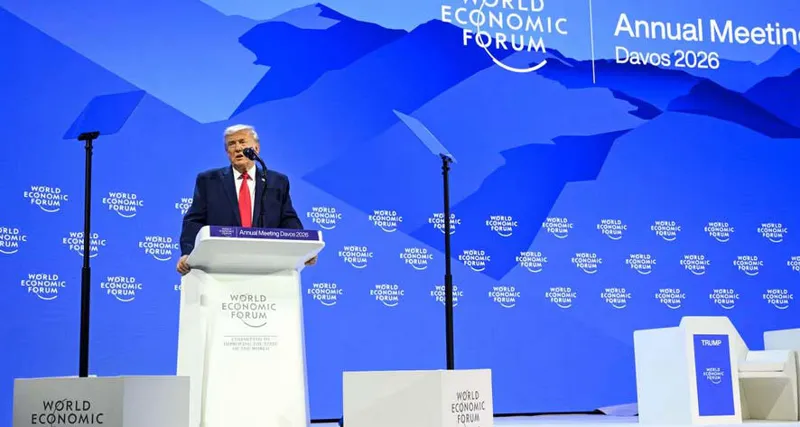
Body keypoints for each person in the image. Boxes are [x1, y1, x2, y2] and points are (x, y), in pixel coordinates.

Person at [176, 124, 317, 275]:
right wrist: (188, 253)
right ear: (227, 152)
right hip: (221, 266)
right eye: (232, 144)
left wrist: (303, 250)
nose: (237, 148)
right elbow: (194, 221)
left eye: (242, 142)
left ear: (256, 148)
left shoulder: (277, 181)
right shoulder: (209, 181)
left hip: (267, 265)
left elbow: (288, 219)